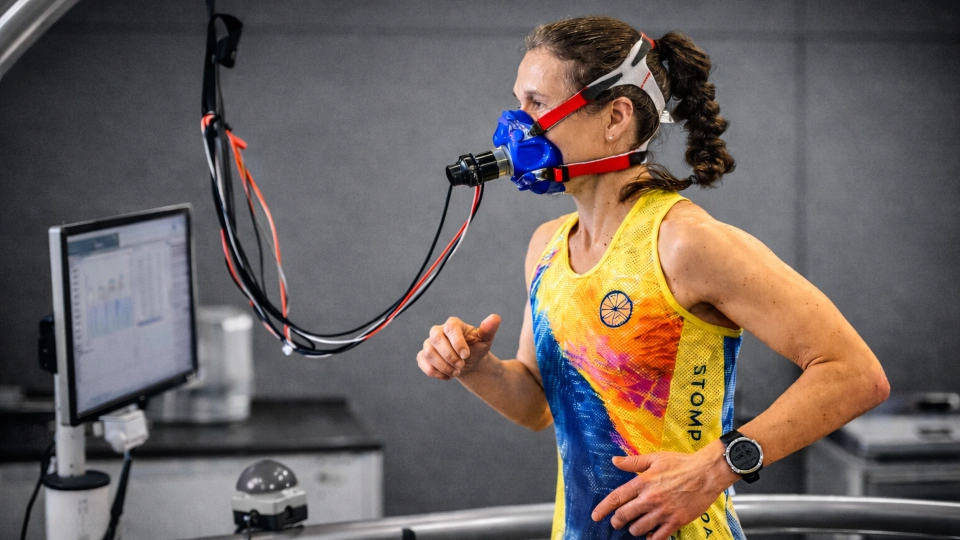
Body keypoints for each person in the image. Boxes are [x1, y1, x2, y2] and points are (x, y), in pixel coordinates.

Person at [417, 16, 889, 540]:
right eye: (518, 101)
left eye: (537, 103)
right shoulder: (546, 247)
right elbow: (537, 406)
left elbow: (855, 374)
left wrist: (715, 468)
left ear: (616, 117)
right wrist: (475, 367)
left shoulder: (684, 242)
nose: (516, 124)